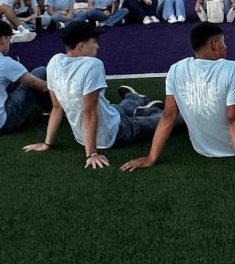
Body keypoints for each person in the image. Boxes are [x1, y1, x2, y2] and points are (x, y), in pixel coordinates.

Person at [120, 23, 235, 181]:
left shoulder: (175, 70)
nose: (226, 46)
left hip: (202, 148)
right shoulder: (231, 69)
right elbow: (234, 118)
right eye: (224, 42)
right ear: (214, 44)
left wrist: (151, 158)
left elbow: (169, 116)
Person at [24, 20, 164, 166]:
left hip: (97, 122)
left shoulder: (54, 61)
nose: (98, 46)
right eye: (94, 41)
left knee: (115, 109)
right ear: (81, 46)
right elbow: (89, 112)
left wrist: (47, 144)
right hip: (113, 132)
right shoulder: (92, 65)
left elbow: (57, 107)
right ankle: (147, 109)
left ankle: (136, 98)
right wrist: (91, 153)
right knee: (164, 120)